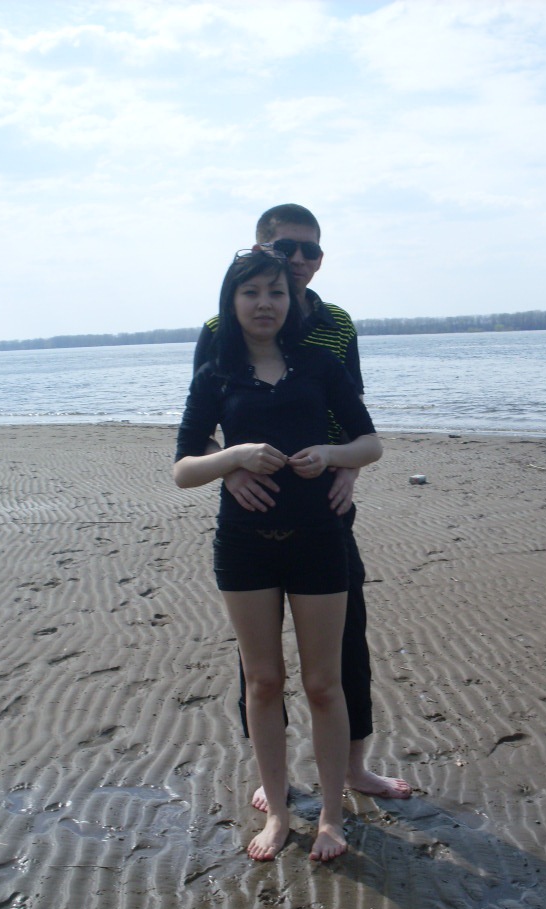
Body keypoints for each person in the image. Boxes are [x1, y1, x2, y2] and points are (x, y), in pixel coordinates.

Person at [193, 204, 411, 809]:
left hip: (326, 505)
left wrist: (349, 470)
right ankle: (276, 778)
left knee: (345, 642)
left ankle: (354, 767)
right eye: (285, 247)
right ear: (258, 250)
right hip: (254, 507)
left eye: (309, 250)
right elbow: (202, 427)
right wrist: (229, 469)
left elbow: (354, 414)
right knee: (259, 662)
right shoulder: (222, 326)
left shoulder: (334, 324)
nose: (298, 260)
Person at [174, 249, 383, 862]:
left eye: (275, 292)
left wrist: (332, 455)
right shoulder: (215, 374)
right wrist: (234, 457)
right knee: (263, 682)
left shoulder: (319, 364)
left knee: (324, 684)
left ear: (291, 302)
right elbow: (184, 468)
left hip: (319, 540)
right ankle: (279, 814)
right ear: (231, 302)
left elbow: (370, 443)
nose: (264, 303)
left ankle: (332, 818)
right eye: (251, 293)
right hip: (244, 548)